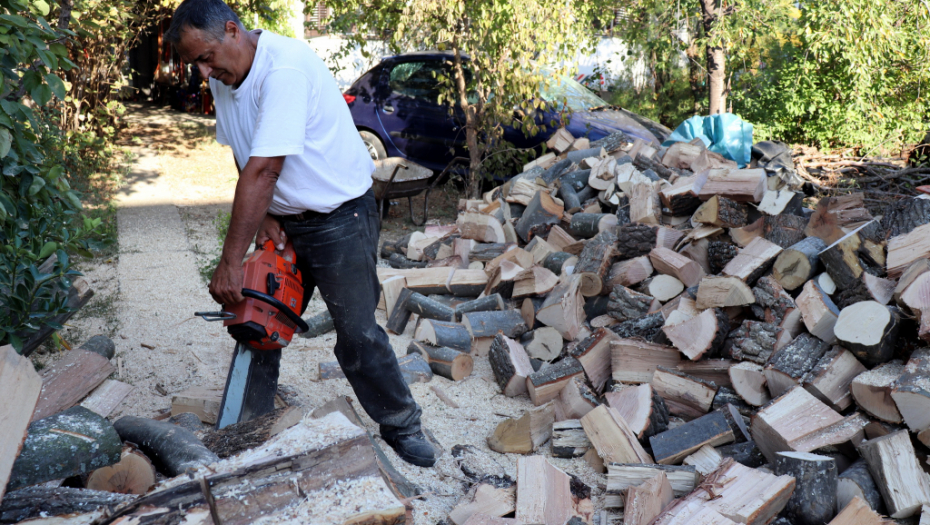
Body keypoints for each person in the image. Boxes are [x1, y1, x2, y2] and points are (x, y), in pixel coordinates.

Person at [163, 0, 437, 467]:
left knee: (357, 333)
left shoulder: (283, 70)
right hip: (285, 218)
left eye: (207, 57)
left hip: (339, 216)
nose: (204, 72)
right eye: (196, 64)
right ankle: (248, 425)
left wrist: (230, 261)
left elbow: (264, 170)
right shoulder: (226, 77)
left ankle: (401, 424)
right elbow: (244, 153)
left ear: (233, 30)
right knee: (259, 317)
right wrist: (266, 217)